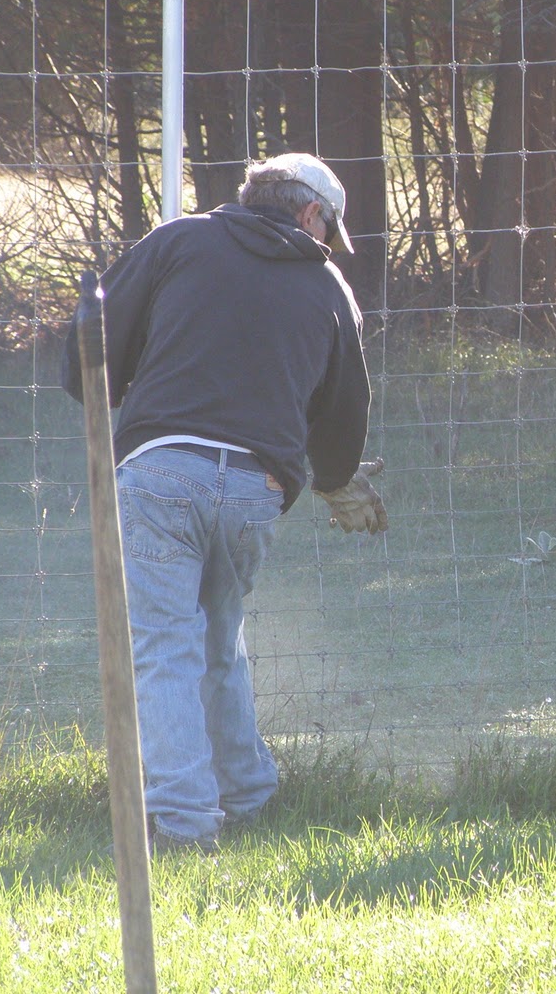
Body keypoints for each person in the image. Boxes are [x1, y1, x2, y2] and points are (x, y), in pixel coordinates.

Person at [64, 153, 387, 853]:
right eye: (330, 230)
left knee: (162, 649)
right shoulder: (328, 287)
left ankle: (183, 823)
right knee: (218, 638)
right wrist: (334, 480)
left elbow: (89, 342)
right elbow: (343, 412)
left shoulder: (179, 240)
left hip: (157, 474)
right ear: (309, 215)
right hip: (254, 489)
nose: (329, 246)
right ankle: (247, 796)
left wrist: (117, 391)